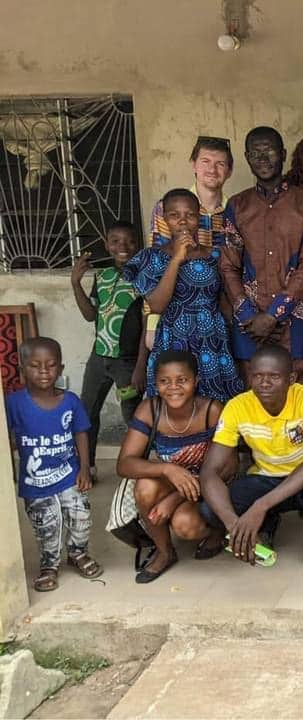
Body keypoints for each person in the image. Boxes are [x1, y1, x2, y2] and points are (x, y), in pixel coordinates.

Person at [198, 345, 303, 573]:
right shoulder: (237, 406)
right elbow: (209, 472)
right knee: (209, 510)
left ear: (291, 378)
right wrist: (234, 525)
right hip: (265, 478)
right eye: (257, 376)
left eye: (273, 376)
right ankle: (266, 524)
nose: (264, 383)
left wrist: (259, 506)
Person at [220, 126, 303, 386]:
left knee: (300, 397)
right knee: (253, 397)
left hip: (294, 321)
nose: (263, 159)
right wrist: (248, 315)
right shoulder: (237, 205)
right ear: (246, 157)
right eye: (255, 153)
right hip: (249, 325)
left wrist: (274, 314)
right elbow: (228, 265)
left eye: (269, 151)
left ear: (284, 154)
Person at [124, 189, 243, 403]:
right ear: (164, 219)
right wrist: (177, 258)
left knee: (213, 404)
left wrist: (230, 343)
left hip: (212, 340)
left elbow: (225, 303)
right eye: (174, 215)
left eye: (190, 214)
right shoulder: (152, 257)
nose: (183, 221)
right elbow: (157, 305)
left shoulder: (216, 254)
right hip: (173, 339)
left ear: (199, 217)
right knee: (175, 400)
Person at [116, 350, 224, 583]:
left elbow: (227, 468)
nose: (173, 387)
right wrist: (167, 469)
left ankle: (217, 531)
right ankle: (164, 551)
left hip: (208, 486)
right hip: (174, 481)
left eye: (182, 380)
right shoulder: (150, 410)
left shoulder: (211, 411)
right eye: (165, 381)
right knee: (145, 487)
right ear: (156, 384)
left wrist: (175, 498)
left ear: (196, 381)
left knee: (186, 526)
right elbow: (125, 463)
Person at [5, 337, 101, 592]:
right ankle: (49, 564)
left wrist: (84, 468)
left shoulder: (70, 401)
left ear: (61, 368)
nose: (44, 371)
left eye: (51, 365)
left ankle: (78, 553)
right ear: (22, 367)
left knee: (81, 516)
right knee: (47, 524)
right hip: (36, 481)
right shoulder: (13, 403)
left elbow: (81, 432)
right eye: (36, 365)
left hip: (70, 474)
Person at [72, 220, 146, 477]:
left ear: (138, 245)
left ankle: (141, 468)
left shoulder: (143, 279)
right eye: (115, 241)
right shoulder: (102, 276)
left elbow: (147, 326)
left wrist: (140, 367)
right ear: (107, 244)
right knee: (87, 411)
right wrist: (75, 283)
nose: (122, 246)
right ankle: (88, 466)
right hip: (98, 358)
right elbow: (91, 315)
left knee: (133, 418)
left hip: (127, 364)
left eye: (129, 241)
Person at [149, 135, 233, 248]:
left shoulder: (235, 211)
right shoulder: (166, 207)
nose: (212, 169)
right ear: (194, 165)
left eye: (220, 164)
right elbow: (157, 258)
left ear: (229, 172)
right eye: (205, 161)